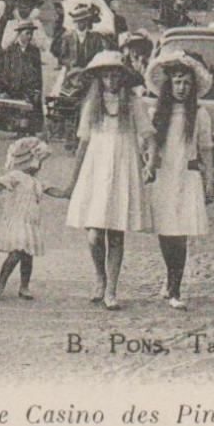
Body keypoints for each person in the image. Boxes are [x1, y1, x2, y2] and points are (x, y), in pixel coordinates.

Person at [60, 50, 151, 311]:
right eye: (106, 76)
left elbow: (147, 134)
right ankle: (99, 275)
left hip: (123, 166)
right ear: (99, 78)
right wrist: (73, 181)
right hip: (96, 169)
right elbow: (83, 144)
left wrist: (150, 160)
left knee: (116, 232)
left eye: (115, 76)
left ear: (122, 77)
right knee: (94, 233)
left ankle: (112, 287)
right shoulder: (92, 104)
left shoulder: (134, 104)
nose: (111, 81)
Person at [140, 50, 214, 310]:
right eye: (177, 82)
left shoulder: (200, 114)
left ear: (192, 85)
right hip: (164, 176)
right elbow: (147, 145)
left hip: (187, 176)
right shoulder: (156, 113)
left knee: (180, 234)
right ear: (168, 84)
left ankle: (175, 288)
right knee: (166, 232)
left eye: (186, 82)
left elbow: (206, 148)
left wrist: (210, 180)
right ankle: (169, 276)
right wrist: (148, 164)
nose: (181, 87)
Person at [0, 136, 50, 300]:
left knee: (27, 257)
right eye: (39, 161)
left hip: (29, 224)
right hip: (17, 223)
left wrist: (65, 194)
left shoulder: (35, 182)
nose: (40, 166)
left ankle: (24, 286)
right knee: (16, 253)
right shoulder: (16, 176)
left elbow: (49, 190)